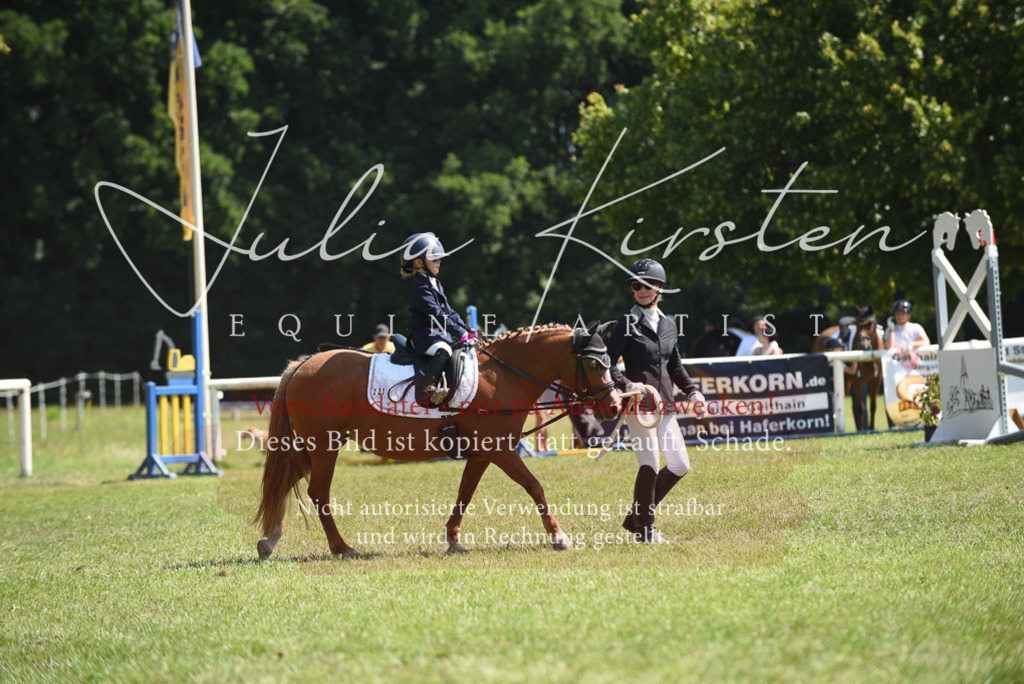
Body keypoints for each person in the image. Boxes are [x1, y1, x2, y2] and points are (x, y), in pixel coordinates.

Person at [605, 258, 706, 544]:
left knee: (680, 465)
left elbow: (675, 367)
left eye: (647, 285)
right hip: (639, 407)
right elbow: (608, 365)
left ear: (659, 288)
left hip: (666, 405)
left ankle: (633, 519)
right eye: (636, 286)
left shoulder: (669, 324)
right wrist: (627, 384)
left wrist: (693, 392)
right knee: (648, 464)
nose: (641, 290)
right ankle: (645, 530)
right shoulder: (625, 324)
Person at [399, 232, 476, 406]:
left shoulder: (434, 283)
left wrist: (466, 329)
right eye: (434, 258)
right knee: (445, 351)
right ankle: (426, 390)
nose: (439, 261)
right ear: (419, 262)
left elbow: (449, 312)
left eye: (439, 258)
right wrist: (458, 332)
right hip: (424, 336)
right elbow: (437, 316)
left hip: (437, 333)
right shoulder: (421, 288)